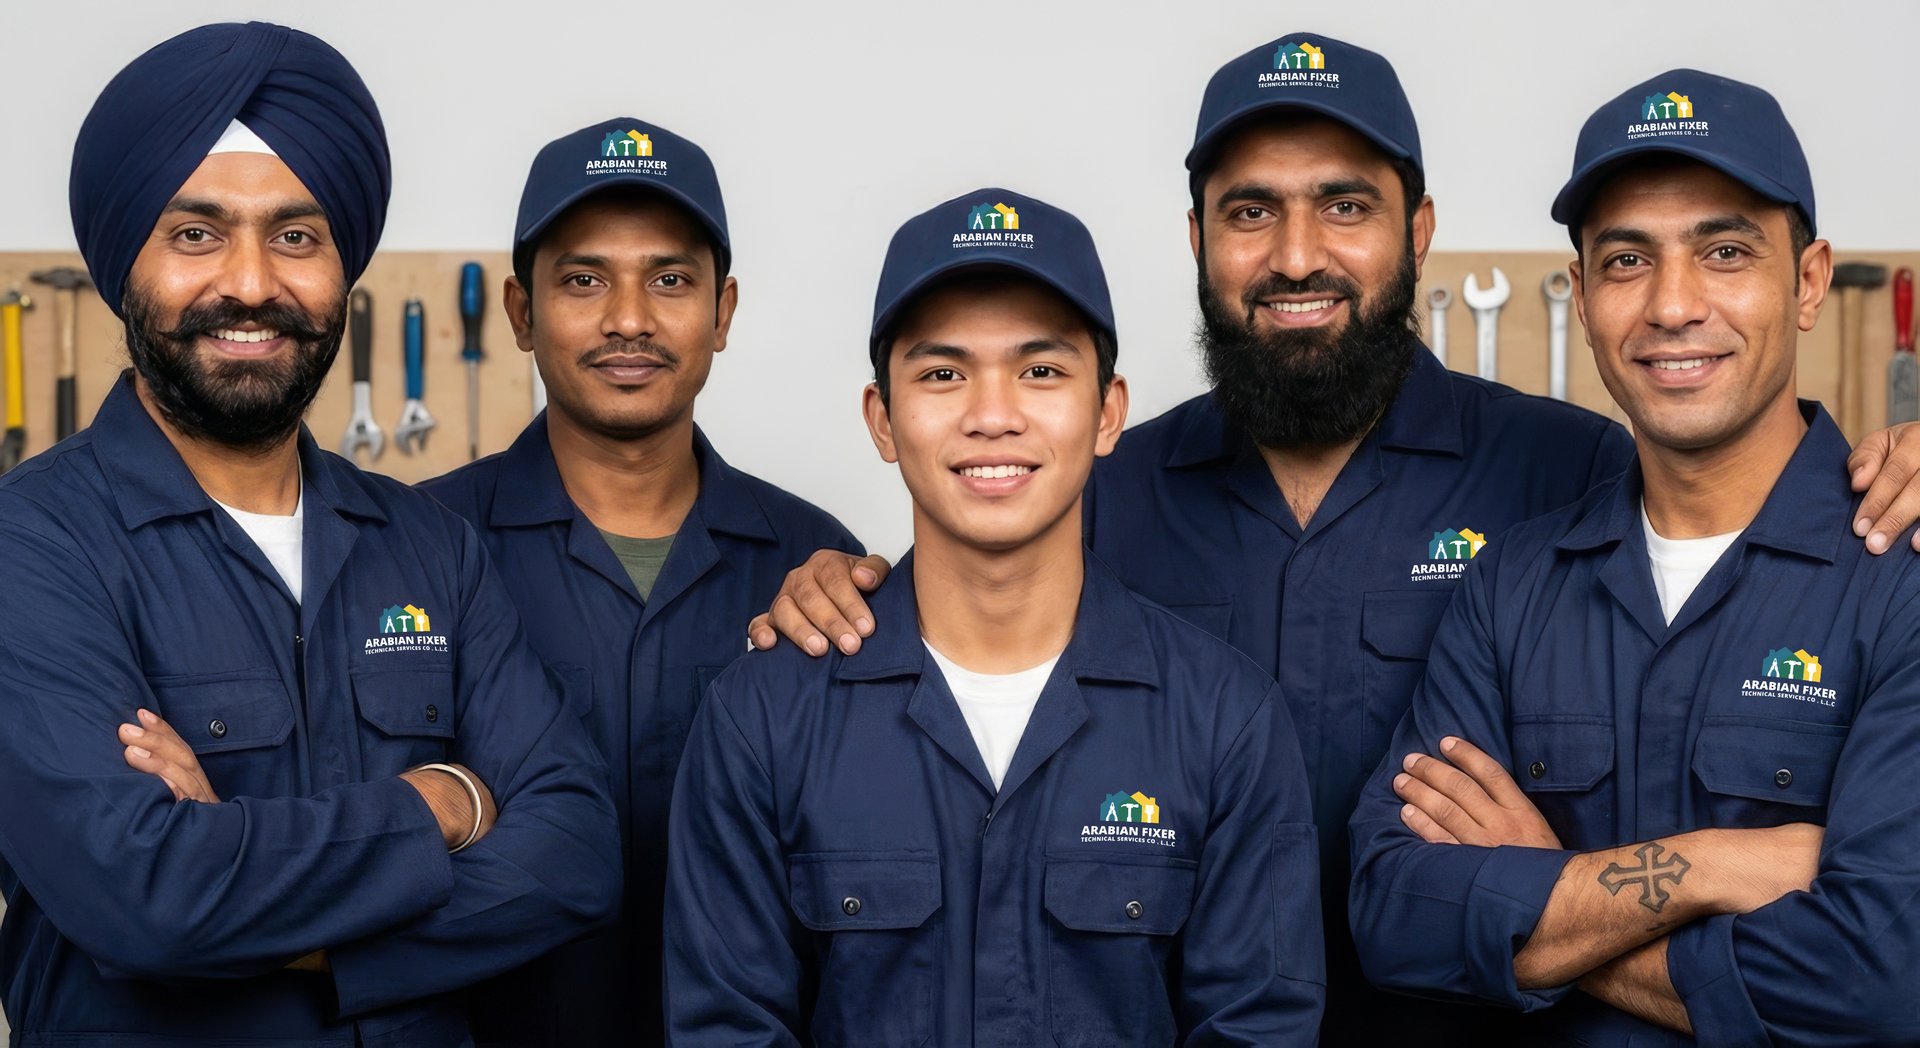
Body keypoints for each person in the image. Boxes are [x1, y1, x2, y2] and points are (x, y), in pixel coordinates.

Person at [745, 33, 1920, 1042]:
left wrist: (1541, 910)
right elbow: (927, 648)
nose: (1296, 254)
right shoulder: (1088, 481)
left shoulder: (1569, 477)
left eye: (1345, 205)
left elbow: (1884, 958)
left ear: (1418, 229)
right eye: (1251, 212)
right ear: (1197, 237)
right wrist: (830, 587)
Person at [0, 23, 619, 1047]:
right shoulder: (34, 547)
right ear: (126, 263)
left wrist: (267, 903)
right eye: (196, 234)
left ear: (343, 265)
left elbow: (577, 852)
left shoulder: (432, 547)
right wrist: (445, 804)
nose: (250, 284)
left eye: (296, 236)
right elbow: (146, 896)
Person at [664, 189, 1326, 1045]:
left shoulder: (1225, 719)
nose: (991, 415)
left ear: (1109, 411)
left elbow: (1257, 1030)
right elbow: (727, 1033)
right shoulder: (762, 719)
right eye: (942, 373)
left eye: (1041, 370)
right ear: (882, 419)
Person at [1349, 70, 1920, 1046]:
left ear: (1811, 280)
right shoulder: (1512, 586)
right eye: (1625, 261)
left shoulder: (1902, 576)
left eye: (1726, 251)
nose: (1673, 305)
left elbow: (1881, 980)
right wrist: (1709, 865)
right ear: (1579, 294)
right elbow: (1396, 916)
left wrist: (1546, 894)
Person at [420, 117, 861, 1046]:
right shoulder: (417, 546)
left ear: (723, 312)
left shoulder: (812, 559)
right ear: (519, 312)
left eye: (671, 279)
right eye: (584, 280)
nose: (630, 317)